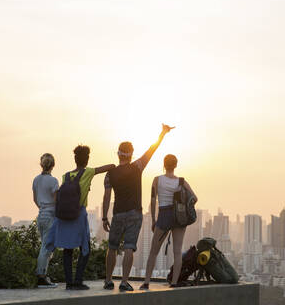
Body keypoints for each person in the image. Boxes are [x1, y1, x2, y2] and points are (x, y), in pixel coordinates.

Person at [102, 124, 174, 292]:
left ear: (118, 154)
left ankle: (107, 280)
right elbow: (152, 149)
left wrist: (104, 217)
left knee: (112, 247)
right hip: (134, 213)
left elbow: (106, 197)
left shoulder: (110, 174)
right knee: (129, 247)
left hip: (117, 213)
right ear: (131, 154)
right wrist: (163, 133)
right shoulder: (138, 166)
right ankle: (124, 282)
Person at [46, 145, 115, 290]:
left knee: (67, 249)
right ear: (87, 159)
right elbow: (110, 166)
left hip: (64, 216)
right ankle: (78, 281)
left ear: (75, 159)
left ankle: (69, 283)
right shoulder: (88, 172)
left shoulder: (65, 176)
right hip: (79, 214)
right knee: (85, 248)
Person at [139, 154, 197, 289]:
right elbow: (194, 198)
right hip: (179, 217)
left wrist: (153, 220)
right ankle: (174, 283)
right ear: (175, 165)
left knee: (154, 251)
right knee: (177, 252)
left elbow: (153, 201)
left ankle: (146, 282)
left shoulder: (157, 180)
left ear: (164, 165)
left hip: (164, 215)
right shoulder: (181, 182)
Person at [33, 153, 59, 288]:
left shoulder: (36, 180)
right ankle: (41, 276)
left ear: (41, 164)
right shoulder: (53, 181)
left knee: (45, 246)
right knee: (46, 247)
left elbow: (35, 199)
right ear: (53, 165)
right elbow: (56, 201)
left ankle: (43, 274)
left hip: (41, 215)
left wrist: (43, 207)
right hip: (50, 216)